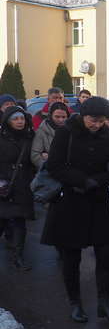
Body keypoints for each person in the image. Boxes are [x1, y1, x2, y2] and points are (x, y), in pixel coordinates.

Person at [41, 96, 109, 323]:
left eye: (101, 120)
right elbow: (54, 166)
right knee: (71, 256)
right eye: (93, 120)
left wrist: (99, 180)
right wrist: (82, 181)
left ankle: (104, 302)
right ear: (83, 116)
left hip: (98, 201)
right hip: (70, 201)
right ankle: (75, 303)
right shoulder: (66, 133)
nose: (97, 124)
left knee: (105, 253)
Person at [0, 106, 35, 270]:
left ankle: (18, 257)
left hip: (23, 186)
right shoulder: (1, 138)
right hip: (4, 187)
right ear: (7, 121)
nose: (20, 121)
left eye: (22, 118)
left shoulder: (30, 137)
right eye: (15, 119)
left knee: (20, 223)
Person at [31, 101, 70, 170]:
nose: (61, 120)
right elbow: (35, 155)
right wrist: (47, 166)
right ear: (50, 116)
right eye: (57, 117)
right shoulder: (41, 131)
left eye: (64, 117)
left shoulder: (72, 130)